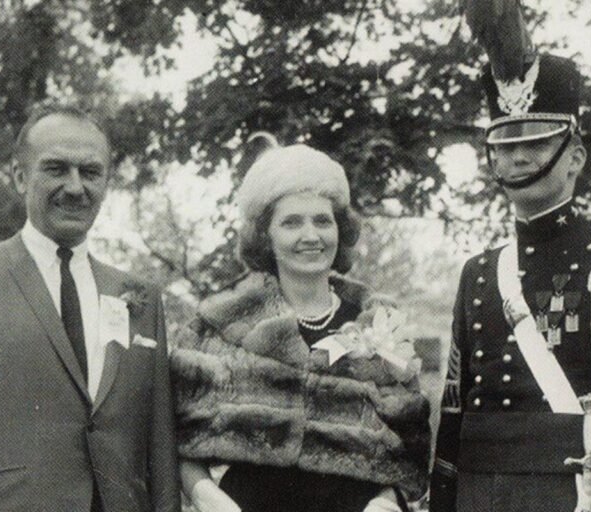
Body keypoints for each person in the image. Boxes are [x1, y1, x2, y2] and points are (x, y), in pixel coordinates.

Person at [428, 53, 591, 512]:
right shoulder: (478, 272)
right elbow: (453, 421)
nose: (518, 157)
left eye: (538, 143)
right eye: (505, 146)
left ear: (575, 157)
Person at [0, 103, 180, 511]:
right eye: (56, 169)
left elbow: (160, 457)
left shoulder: (139, 296)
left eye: (90, 172)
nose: (75, 187)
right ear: (20, 176)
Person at [169, 134, 431, 512]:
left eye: (322, 221)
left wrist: (384, 505)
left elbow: (412, 451)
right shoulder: (217, 327)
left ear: (340, 230)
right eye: (291, 222)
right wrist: (212, 502)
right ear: (266, 236)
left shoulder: (381, 324)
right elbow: (178, 443)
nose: (311, 236)